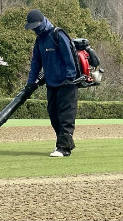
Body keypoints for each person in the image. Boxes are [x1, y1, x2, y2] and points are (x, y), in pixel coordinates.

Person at [24, 9, 78, 157]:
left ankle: (63, 148)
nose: (34, 29)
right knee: (54, 116)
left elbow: (69, 59)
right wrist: (30, 83)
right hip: (51, 84)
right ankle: (67, 142)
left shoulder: (58, 35)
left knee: (65, 117)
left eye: (36, 26)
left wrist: (70, 78)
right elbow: (36, 63)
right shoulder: (39, 40)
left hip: (67, 83)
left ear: (42, 21)